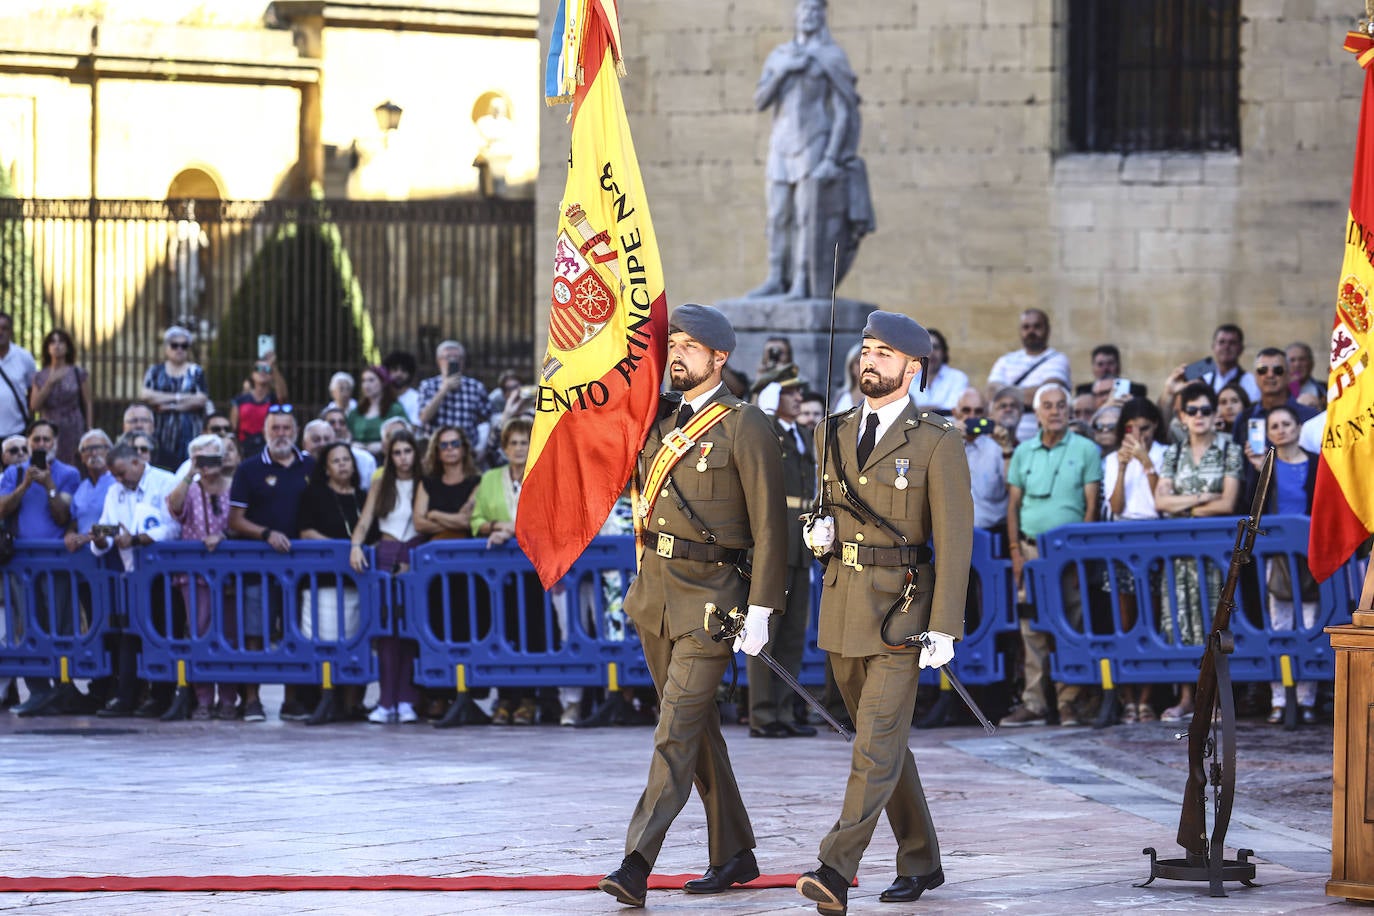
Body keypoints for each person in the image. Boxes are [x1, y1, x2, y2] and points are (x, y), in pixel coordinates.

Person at [598, 304, 786, 908]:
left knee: (674, 732)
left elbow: (771, 528)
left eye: (688, 345)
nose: (675, 354)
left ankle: (635, 862)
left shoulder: (745, 426)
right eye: (671, 343)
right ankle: (734, 852)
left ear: (719, 357)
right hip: (655, 597)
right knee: (697, 729)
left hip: (712, 602)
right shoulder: (657, 421)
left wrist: (762, 610)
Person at [794, 311, 972, 913]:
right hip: (844, 603)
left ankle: (834, 869)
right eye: (867, 350)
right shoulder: (832, 432)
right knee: (882, 742)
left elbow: (955, 539)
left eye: (886, 353)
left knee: (873, 744)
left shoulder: (936, 441)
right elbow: (829, 508)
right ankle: (921, 859)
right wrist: (818, 535)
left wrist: (945, 624)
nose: (871, 360)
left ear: (913, 367)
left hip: (904, 611)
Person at [748, 0, 873, 300]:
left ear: (823, 16)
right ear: (796, 15)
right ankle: (776, 277)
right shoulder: (781, 56)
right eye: (804, 9)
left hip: (814, 142)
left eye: (816, 10)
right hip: (781, 144)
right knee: (778, 215)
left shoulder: (831, 56)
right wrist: (784, 72)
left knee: (808, 218)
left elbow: (846, 109)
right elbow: (760, 100)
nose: (809, 15)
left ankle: (802, 282)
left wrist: (832, 156)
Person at [999, 383, 1101, 729]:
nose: (1055, 411)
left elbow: (1091, 506)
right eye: (1048, 406)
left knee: (1071, 624)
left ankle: (1069, 702)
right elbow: (1013, 506)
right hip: (1029, 551)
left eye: (1061, 405)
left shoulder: (1086, 449)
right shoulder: (1024, 452)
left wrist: (1081, 548)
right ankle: (1035, 704)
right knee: (1031, 627)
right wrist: (1014, 551)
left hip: (1067, 553)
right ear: (1038, 412)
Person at [1152, 382, 1242, 723]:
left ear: (1215, 414)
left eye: (1206, 409)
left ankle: (1217, 698)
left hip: (1216, 553)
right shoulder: (1173, 453)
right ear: (1181, 416)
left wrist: (1183, 504)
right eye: (1192, 410)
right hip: (1178, 553)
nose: (1199, 416)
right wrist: (1203, 500)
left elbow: (1229, 502)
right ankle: (1187, 697)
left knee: (1214, 621)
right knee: (1180, 620)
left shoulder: (1228, 448)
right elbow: (1161, 501)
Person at [227, 406, 314, 723]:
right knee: (254, 632)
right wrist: (265, 534)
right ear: (265, 432)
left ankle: (292, 701)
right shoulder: (249, 469)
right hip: (258, 565)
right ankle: (251, 700)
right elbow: (235, 520)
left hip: (302, 568)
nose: (281, 434)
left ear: (296, 430)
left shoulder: (311, 465)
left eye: (286, 428)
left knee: (294, 631)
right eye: (275, 428)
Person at [747, 365, 817, 738]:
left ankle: (785, 712)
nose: (798, 398)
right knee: (766, 634)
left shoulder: (803, 434)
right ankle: (762, 715)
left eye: (799, 393)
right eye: (789, 393)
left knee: (791, 635)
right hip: (776, 543)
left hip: (801, 543)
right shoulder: (769, 433)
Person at [91, 442, 179, 718]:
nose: (118, 480)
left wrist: (139, 539)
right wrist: (99, 537)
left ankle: (161, 696)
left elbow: (174, 526)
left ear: (137, 462)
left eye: (121, 473)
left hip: (163, 573)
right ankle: (126, 696)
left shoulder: (165, 481)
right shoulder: (114, 490)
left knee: (163, 631)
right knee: (129, 633)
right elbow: (107, 523)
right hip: (131, 573)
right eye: (114, 475)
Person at [1244, 405, 1319, 724]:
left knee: (1310, 621)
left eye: (1286, 423)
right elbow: (1252, 506)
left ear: (1299, 427)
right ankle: (1278, 697)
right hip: (1276, 555)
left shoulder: (1317, 464)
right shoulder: (1266, 466)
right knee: (1279, 623)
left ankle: (1306, 699)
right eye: (1274, 425)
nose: (1281, 429)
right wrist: (1258, 470)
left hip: (1312, 553)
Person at [0, 419, 81, 713]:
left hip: (56, 563)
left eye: (47, 440)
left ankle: (63, 688)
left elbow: (63, 516)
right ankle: (37, 690)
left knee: (59, 624)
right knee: (26, 627)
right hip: (21, 562)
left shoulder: (68, 474)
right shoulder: (13, 473)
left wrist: (48, 486)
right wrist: (24, 484)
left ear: (56, 444)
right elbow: (2, 507)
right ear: (29, 442)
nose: (41, 445)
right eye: (37, 440)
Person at [1100, 398, 1167, 723]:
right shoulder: (1113, 459)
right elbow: (1115, 505)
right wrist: (1126, 465)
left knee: (1152, 619)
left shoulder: (1164, 454)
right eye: (1131, 428)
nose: (1139, 434)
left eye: (1145, 427)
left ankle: (1147, 698)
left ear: (1156, 426)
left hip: (1154, 534)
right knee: (1124, 620)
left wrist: (1146, 463)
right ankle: (1128, 697)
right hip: (1122, 537)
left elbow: (1162, 502)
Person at [351, 430, 423, 724]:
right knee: (386, 632)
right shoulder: (382, 483)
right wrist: (356, 545)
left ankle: (407, 698)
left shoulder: (423, 482)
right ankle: (385, 699)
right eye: (397, 452)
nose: (403, 458)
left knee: (410, 630)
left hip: (415, 554)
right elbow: (366, 519)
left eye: (408, 451)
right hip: (386, 553)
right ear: (389, 456)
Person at [166, 433, 234, 720]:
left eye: (212, 456)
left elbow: (243, 520)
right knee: (199, 632)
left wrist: (224, 536)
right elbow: (174, 508)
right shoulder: (191, 488)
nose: (208, 463)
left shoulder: (234, 486)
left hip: (231, 572)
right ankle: (203, 698)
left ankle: (229, 698)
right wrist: (190, 473)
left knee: (231, 634)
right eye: (201, 457)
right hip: (194, 576)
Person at [298, 441, 366, 725]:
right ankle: (325, 697)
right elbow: (305, 531)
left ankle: (352, 703)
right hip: (323, 582)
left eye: (346, 459)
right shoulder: (314, 494)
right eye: (336, 460)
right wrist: (340, 548)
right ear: (325, 468)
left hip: (357, 581)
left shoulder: (362, 496)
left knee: (354, 641)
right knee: (324, 640)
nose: (342, 465)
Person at [985, 309, 1071, 443]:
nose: (1031, 331)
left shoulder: (1058, 359)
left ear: (1047, 330)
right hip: (1002, 436)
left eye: (1037, 326)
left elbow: (1048, 392)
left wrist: (1005, 394)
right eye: (1026, 327)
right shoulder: (1006, 360)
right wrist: (1031, 393)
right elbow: (991, 393)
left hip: (1040, 435)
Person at [142, 326, 209, 469]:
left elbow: (201, 399)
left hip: (189, 432)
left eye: (184, 346)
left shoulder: (195, 371)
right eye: (175, 345)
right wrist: (183, 398)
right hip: (161, 432)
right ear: (166, 348)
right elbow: (146, 395)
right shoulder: (155, 371)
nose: (179, 349)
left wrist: (169, 403)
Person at [29, 329, 90, 466]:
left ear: (68, 347)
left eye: (61, 342)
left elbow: (88, 402)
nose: (57, 345)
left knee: (75, 462)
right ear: (47, 348)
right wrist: (49, 383)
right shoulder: (40, 376)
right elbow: (34, 406)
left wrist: (89, 427)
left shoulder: (77, 372)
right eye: (53, 342)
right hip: (49, 425)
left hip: (73, 425)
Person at [417, 340, 489, 445]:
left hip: (468, 450)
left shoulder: (475, 387)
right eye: (448, 358)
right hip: (436, 449)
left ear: (463, 362)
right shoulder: (428, 386)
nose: (452, 361)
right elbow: (423, 418)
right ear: (439, 361)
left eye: (457, 358)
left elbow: (489, 418)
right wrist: (444, 390)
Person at [229, 353, 285, 456]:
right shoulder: (240, 400)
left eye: (267, 369)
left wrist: (274, 367)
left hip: (267, 448)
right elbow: (233, 428)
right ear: (252, 374)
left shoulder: (273, 399)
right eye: (258, 368)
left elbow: (283, 396)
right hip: (244, 449)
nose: (262, 372)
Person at [347, 366, 407, 457]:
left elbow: (404, 436)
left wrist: (382, 445)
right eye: (364, 381)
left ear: (383, 382)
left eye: (371, 380)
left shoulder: (395, 409)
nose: (366, 385)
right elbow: (346, 437)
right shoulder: (356, 412)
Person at [913, 329, 969, 413]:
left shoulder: (958, 377)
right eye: (927, 347)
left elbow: (951, 410)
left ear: (944, 352)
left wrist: (918, 409)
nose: (931, 352)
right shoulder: (910, 378)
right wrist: (937, 408)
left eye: (935, 347)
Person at [0, 312, 36, 440]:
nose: (1, 332)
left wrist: (29, 415)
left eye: (4, 328)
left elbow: (33, 390)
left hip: (17, 430)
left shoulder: (24, 357)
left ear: (11, 331)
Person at [321, 406, 378, 486]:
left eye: (342, 423)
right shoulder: (316, 458)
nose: (337, 427)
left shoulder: (365, 459)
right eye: (332, 423)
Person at [382, 351, 422, 425]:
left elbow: (415, 424)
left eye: (403, 370)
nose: (399, 374)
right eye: (394, 370)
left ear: (410, 374)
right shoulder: (381, 397)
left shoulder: (416, 398)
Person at [1285, 341, 1324, 406]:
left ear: (1311, 363)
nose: (1297, 364)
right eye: (1292, 360)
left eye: (1302, 359)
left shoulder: (1324, 389)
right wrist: (1293, 386)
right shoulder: (1278, 391)